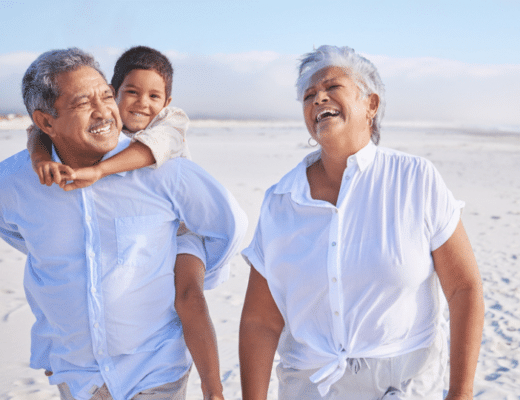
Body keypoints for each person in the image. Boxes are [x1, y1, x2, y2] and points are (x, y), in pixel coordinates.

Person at [239, 45, 484, 400]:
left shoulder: (415, 179)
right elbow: (260, 322)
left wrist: (461, 392)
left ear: (371, 105)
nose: (318, 98)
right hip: (310, 387)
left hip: (403, 384)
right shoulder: (281, 201)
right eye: (309, 96)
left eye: (332, 87)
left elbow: (464, 288)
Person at [0, 48, 247, 399]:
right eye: (83, 103)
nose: (103, 111)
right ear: (46, 122)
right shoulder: (15, 182)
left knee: (190, 298)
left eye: (104, 96)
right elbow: (17, 233)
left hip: (155, 369)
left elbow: (229, 227)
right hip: (78, 377)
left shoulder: (163, 167)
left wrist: (188, 262)